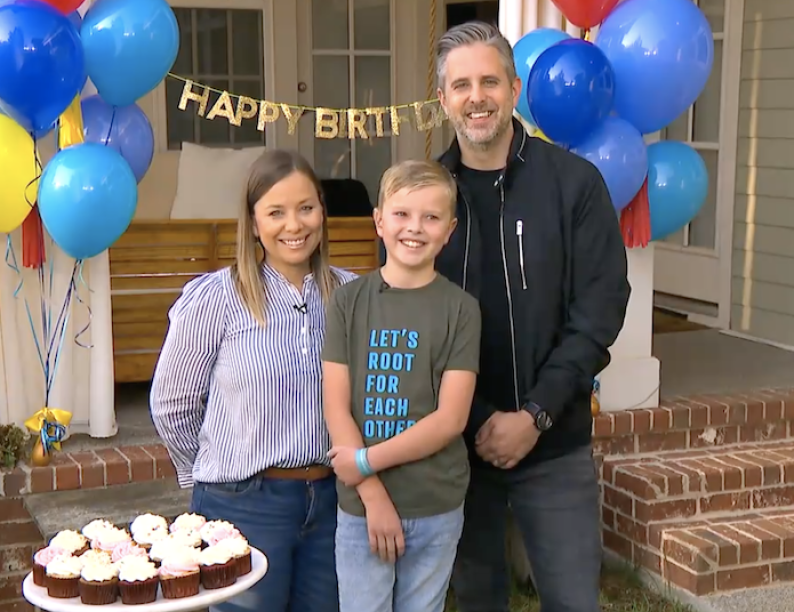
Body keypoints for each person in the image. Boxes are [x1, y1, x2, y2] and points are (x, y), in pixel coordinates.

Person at [433, 21, 631, 612]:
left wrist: (535, 413)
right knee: (477, 601)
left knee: (573, 601)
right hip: (458, 448)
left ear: (514, 89)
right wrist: (480, 419)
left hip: (556, 444)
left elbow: (599, 309)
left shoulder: (574, 184)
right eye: (461, 84)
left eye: (489, 80)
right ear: (442, 98)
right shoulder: (425, 198)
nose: (477, 97)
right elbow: (410, 323)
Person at [150, 149, 355, 612]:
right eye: (276, 212)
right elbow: (172, 404)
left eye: (306, 208)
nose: (294, 225)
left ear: (322, 210)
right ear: (253, 221)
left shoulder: (349, 294)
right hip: (244, 504)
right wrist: (214, 471)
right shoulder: (217, 298)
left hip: (331, 502)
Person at [321, 159, 482, 612]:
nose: (415, 228)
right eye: (402, 214)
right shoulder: (348, 302)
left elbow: (450, 419)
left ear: (449, 231)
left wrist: (364, 462)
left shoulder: (462, 309)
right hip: (360, 508)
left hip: (434, 504)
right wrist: (371, 493)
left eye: (431, 217)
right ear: (378, 221)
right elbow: (336, 406)